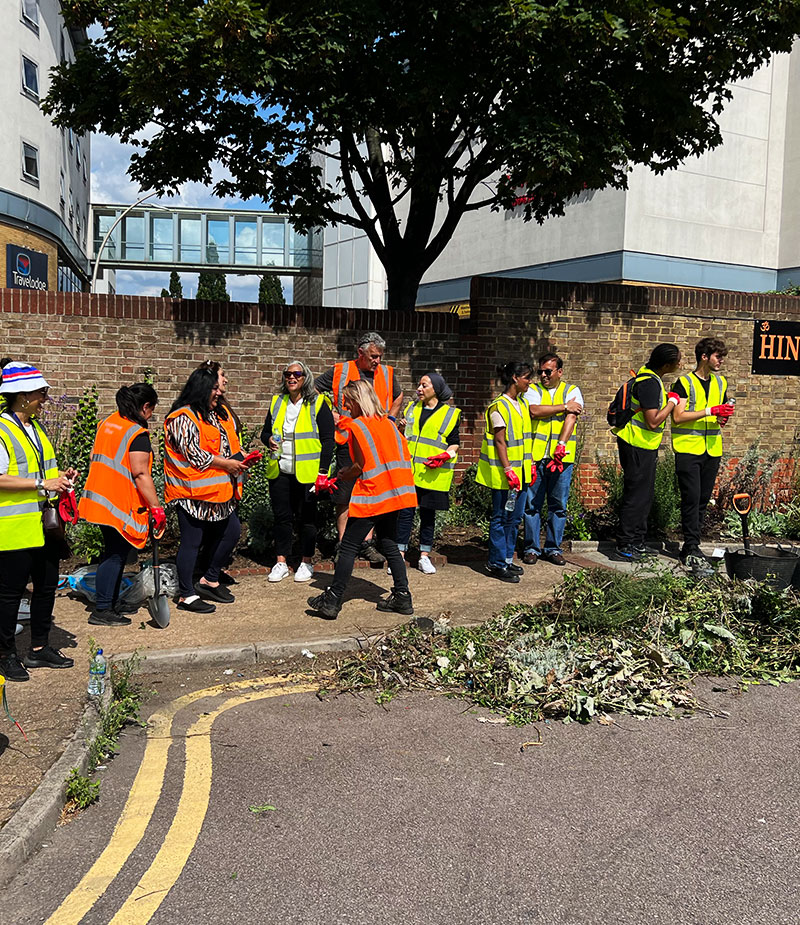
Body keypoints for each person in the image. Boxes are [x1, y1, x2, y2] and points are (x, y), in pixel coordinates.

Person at [307, 379, 416, 619]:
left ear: (357, 400)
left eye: (347, 401)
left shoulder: (358, 427)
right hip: (397, 493)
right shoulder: (389, 424)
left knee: (347, 546)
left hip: (375, 494)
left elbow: (360, 464)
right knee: (388, 543)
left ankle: (332, 600)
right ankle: (403, 596)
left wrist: (345, 473)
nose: (345, 406)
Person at [0, 361, 78, 682]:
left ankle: (39, 647)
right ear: (21, 395)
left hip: (44, 526)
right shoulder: (2, 429)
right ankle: (6, 655)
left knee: (46, 587)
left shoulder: (35, 428)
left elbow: (39, 471)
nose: (45, 397)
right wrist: (41, 485)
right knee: (9, 594)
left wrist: (60, 478)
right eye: (40, 392)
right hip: (15, 529)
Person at [79, 383, 165, 625]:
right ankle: (103, 609)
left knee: (113, 552)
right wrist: (156, 507)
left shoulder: (108, 424)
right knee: (115, 555)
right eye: (151, 411)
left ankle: (111, 601)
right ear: (145, 407)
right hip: (117, 502)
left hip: (99, 498)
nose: (151, 416)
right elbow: (140, 474)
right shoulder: (136, 434)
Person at [164, 365, 248, 613]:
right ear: (201, 389)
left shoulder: (212, 414)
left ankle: (209, 579)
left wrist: (242, 458)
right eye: (214, 388)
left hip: (218, 493)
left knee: (232, 532)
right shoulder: (182, 417)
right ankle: (186, 595)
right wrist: (228, 463)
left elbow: (224, 444)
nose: (219, 393)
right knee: (191, 542)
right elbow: (196, 455)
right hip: (191, 494)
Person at [315, 332, 403, 563]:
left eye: (380, 357)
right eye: (373, 356)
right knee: (344, 496)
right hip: (348, 439)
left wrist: (390, 420)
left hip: (376, 443)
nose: (377, 361)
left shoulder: (386, 373)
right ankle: (344, 545)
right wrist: (330, 414)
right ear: (360, 352)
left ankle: (366, 544)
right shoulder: (341, 371)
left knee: (372, 491)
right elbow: (313, 389)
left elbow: (398, 395)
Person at [260, 360, 335, 583]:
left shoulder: (319, 403)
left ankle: (306, 561)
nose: (291, 378)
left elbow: (328, 440)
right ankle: (281, 562)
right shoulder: (277, 402)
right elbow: (265, 433)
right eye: (287, 374)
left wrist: (323, 471)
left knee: (307, 519)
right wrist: (269, 440)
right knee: (282, 518)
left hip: (308, 473)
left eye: (297, 374)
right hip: (280, 470)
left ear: (306, 378)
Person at [611, 343, 682, 562]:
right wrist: (672, 401)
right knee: (636, 497)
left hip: (644, 446)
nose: (682, 362)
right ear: (667, 364)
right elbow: (652, 421)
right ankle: (624, 545)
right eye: (679, 359)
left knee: (645, 496)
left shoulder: (651, 378)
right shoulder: (649, 383)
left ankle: (638, 542)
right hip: (636, 445)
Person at [671, 337, 735, 575]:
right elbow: (678, 416)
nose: (721, 361)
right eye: (718, 356)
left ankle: (692, 547)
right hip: (688, 448)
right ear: (704, 357)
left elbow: (718, 416)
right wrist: (711, 410)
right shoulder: (684, 382)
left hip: (712, 448)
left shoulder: (720, 383)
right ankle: (690, 546)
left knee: (701, 500)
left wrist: (723, 417)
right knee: (692, 497)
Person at [476, 361, 536, 583]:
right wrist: (509, 469)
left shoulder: (520, 404)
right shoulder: (498, 406)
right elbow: (500, 441)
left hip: (521, 473)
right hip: (504, 474)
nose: (530, 381)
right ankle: (496, 563)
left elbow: (524, 439)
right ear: (514, 378)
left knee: (515, 517)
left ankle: (507, 559)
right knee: (501, 518)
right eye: (527, 377)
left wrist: (528, 464)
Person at [396, 373, 460, 574]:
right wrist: (400, 427)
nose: (419, 389)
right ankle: (399, 556)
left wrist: (446, 456)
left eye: (424, 385)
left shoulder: (451, 414)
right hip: (409, 471)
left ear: (436, 389)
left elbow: (455, 442)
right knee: (405, 514)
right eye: (419, 384)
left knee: (428, 516)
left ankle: (424, 556)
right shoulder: (412, 409)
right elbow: (402, 438)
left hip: (432, 473)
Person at [522, 353, 583, 566]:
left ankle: (553, 548)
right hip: (536, 457)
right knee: (532, 505)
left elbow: (572, 418)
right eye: (540, 372)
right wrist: (563, 407)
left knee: (558, 505)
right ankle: (531, 548)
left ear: (559, 371)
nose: (543, 375)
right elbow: (534, 411)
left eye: (548, 371)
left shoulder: (572, 390)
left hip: (561, 458)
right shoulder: (532, 390)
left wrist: (562, 445)